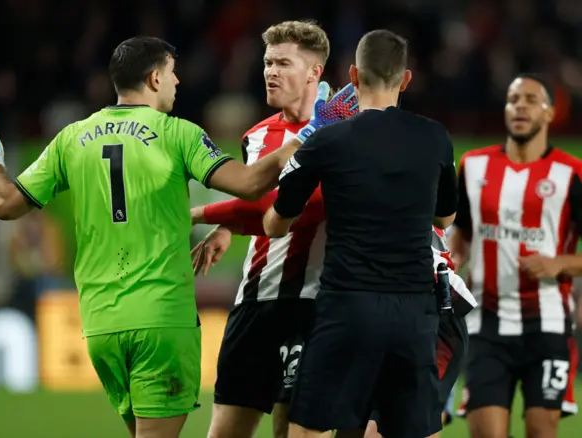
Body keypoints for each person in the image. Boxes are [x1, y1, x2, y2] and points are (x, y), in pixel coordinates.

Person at [0, 36, 356, 438]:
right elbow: (251, 184)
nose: (178, 81)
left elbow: (6, 204)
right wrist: (311, 133)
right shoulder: (177, 133)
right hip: (162, 321)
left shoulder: (71, 138)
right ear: (154, 78)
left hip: (100, 325)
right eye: (172, 73)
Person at [259, 29, 457, 438]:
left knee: (309, 428)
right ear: (405, 79)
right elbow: (445, 219)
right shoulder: (435, 138)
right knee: (418, 427)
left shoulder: (329, 139)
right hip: (413, 309)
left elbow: (274, 224)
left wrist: (310, 141)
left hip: (348, 305)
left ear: (352, 75)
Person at [192, 190, 476, 438]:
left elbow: (281, 206)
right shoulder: (391, 148)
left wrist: (195, 214)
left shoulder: (355, 156)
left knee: (389, 428)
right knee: (336, 424)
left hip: (423, 308)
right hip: (370, 312)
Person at [191, 20, 355, 438]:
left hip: (314, 304)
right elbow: (256, 198)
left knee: (292, 431)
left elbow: (289, 208)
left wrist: (200, 215)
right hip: (256, 301)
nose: (270, 72)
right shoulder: (257, 136)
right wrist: (230, 226)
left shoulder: (344, 137)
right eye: (268, 62)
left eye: (283, 63)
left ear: (315, 72)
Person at [449, 73, 582, 438]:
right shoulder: (473, 166)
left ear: (550, 113)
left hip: (548, 324)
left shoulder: (571, 174)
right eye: (512, 99)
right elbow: (460, 234)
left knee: (542, 430)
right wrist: (452, 260)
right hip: (486, 324)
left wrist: (560, 264)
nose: (519, 105)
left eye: (530, 99)